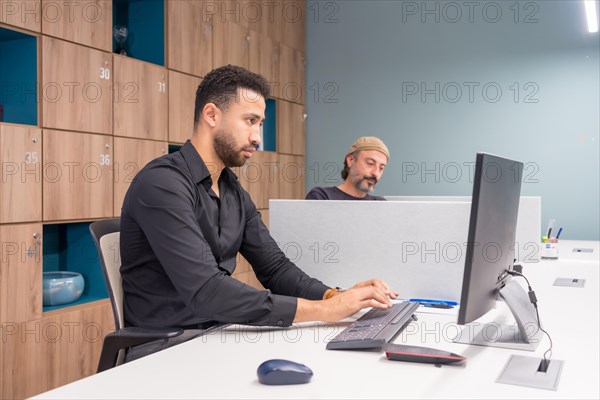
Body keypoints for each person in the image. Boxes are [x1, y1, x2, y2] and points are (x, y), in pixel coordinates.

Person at [120, 65, 397, 346]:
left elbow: (275, 268)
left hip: (217, 335)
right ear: (212, 115)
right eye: (250, 121)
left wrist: (334, 297)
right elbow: (207, 290)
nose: (257, 137)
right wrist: (324, 311)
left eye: (260, 123)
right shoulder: (161, 183)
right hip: (166, 346)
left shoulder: (232, 189)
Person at [305, 136, 389, 200]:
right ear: (351, 160)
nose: (376, 173)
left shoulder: (380, 204)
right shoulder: (322, 197)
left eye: (381, 168)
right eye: (370, 163)